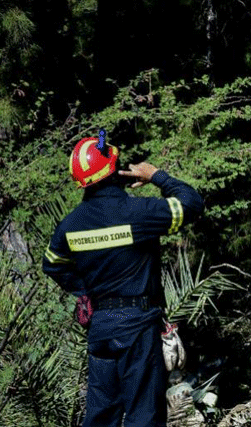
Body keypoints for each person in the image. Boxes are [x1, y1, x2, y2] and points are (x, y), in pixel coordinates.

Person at [42, 133, 204, 427]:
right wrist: (156, 175)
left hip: (101, 328)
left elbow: (52, 264)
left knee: (101, 418)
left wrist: (85, 292)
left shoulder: (71, 224)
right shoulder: (138, 213)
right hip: (136, 327)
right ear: (114, 171)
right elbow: (191, 203)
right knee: (144, 416)